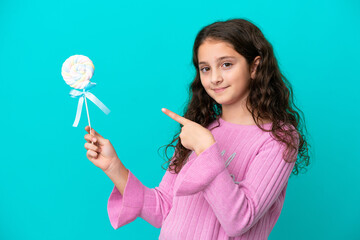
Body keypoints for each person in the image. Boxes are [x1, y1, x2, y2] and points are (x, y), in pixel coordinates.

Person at [84, 18, 310, 240]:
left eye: (226, 64)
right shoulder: (200, 130)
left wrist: (206, 148)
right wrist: (114, 167)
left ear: (254, 66)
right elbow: (164, 209)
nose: (215, 78)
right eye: (205, 68)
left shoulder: (277, 138)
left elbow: (239, 221)